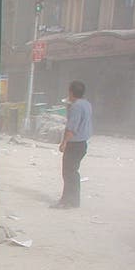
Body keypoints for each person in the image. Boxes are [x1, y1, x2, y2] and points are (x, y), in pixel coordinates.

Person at [51, 80, 92, 209]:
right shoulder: (86, 104)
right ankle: (73, 201)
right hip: (82, 143)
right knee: (73, 172)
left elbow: (71, 128)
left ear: (71, 92)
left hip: (74, 145)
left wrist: (64, 143)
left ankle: (67, 201)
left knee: (68, 173)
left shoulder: (76, 106)